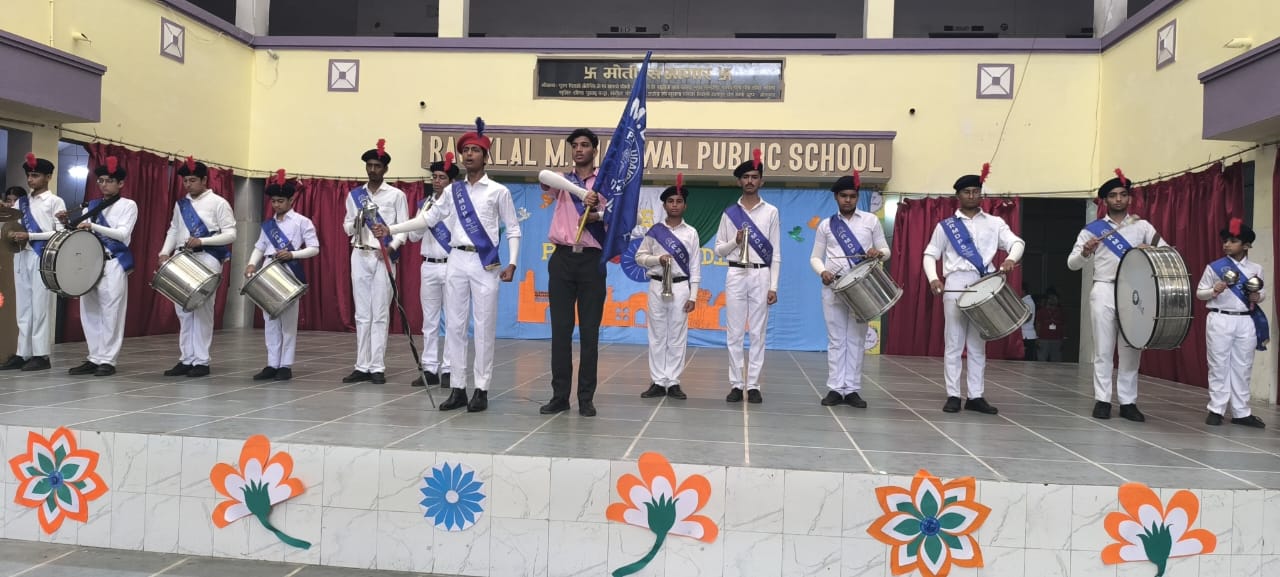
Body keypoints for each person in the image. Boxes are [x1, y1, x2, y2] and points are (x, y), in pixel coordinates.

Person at [379, 118, 520, 413]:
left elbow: (513, 229)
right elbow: (428, 219)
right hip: (456, 259)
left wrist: (513, 262)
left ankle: (481, 389)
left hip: (485, 263)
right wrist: (392, 229)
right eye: (465, 150)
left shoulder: (498, 191)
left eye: (475, 150)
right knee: (454, 326)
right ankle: (457, 388)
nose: (469, 154)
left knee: (484, 327)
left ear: (485, 156)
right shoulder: (453, 191)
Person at [922, 165, 1023, 414]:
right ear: (958, 195)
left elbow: (1017, 242)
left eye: (975, 191)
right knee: (954, 342)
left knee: (978, 343)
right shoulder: (946, 226)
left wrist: (1011, 258)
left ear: (981, 194)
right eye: (966, 192)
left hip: (984, 283)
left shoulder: (995, 223)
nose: (971, 195)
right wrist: (933, 278)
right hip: (956, 282)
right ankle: (953, 395)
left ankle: (975, 396)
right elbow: (930, 254)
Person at [1066, 168, 1164, 421]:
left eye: (1123, 194)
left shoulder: (1142, 226)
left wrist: (1149, 250)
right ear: (1105, 200)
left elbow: (1166, 251)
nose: (1118, 199)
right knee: (1103, 348)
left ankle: (1128, 402)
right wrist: (1086, 252)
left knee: (1132, 347)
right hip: (1104, 288)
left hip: (1135, 291)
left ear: (1129, 198)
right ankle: (1102, 400)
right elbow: (1072, 264)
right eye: (1113, 195)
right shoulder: (1092, 230)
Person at [541, 128, 607, 416]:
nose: (579, 149)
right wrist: (581, 193)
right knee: (561, 331)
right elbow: (543, 176)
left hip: (592, 260)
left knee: (589, 333)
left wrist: (596, 215)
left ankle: (586, 398)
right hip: (563, 259)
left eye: (584, 145)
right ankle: (559, 396)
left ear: (595, 150)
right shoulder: (563, 181)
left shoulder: (606, 182)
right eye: (575, 145)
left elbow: (616, 216)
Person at [810, 171, 888, 408]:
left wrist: (878, 253)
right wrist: (822, 271)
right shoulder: (826, 225)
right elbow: (815, 257)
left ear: (857, 197)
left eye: (852, 196)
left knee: (856, 338)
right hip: (833, 287)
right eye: (843, 196)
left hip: (862, 287)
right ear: (836, 197)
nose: (848, 200)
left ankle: (852, 389)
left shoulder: (870, 221)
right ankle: (835, 388)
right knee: (836, 340)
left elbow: (886, 251)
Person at [159, 157, 236, 378]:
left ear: (204, 180)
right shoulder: (181, 204)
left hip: (207, 257)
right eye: (185, 181)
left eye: (192, 180)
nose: (188, 184)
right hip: (182, 257)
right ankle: (186, 358)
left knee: (202, 309)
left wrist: (202, 241)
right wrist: (164, 252)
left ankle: (201, 361)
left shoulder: (219, 203)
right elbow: (174, 229)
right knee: (183, 310)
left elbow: (231, 234)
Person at [714, 149, 780, 404]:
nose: (750, 181)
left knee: (758, 332)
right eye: (745, 177)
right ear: (739, 181)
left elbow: (776, 253)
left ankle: (753, 385)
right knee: (734, 332)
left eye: (754, 177)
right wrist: (735, 241)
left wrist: (773, 286)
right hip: (735, 272)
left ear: (761, 181)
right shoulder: (729, 213)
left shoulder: (771, 212)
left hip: (761, 273)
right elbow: (719, 250)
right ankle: (735, 383)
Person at [342, 139, 408, 385]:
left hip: (383, 256)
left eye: (377, 166)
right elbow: (347, 226)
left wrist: (391, 248)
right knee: (362, 314)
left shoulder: (397, 195)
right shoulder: (355, 196)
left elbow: (403, 228)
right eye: (369, 165)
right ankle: (361, 365)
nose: (372, 170)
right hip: (359, 253)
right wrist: (357, 220)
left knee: (380, 313)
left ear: (385, 169)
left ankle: (377, 366)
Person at [65, 157, 137, 377]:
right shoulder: (92, 206)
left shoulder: (128, 205)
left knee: (111, 312)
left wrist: (93, 225)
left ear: (121, 183)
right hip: (91, 262)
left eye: (109, 181)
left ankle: (108, 360)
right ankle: (94, 357)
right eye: (101, 181)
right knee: (89, 311)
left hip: (113, 261)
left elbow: (122, 234)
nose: (104, 185)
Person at [245, 170, 319, 382]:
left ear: (291, 200)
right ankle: (272, 363)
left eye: (280, 201)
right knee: (269, 318)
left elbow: (314, 248)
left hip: (289, 270)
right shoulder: (268, 224)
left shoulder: (302, 222)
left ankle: (285, 365)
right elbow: (260, 246)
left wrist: (293, 254)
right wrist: (251, 263)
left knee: (288, 320)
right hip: (268, 268)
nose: (276, 205)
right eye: (273, 201)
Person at [1196, 219, 1266, 428]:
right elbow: (1200, 293)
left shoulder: (1256, 268)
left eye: (1233, 241)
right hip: (1220, 318)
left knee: (1243, 366)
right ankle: (1216, 409)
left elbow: (1261, 293)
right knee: (1218, 365)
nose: (1226, 244)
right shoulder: (1215, 267)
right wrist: (1214, 290)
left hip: (1245, 319)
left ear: (1246, 245)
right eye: (1225, 241)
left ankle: (1241, 412)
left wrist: (1258, 297)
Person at [635, 175, 700, 401]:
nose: (674, 205)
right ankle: (657, 381)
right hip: (656, 285)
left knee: (677, 335)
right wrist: (657, 260)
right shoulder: (654, 231)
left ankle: (673, 381)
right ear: (664, 205)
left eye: (679, 201)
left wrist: (694, 296)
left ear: (685, 206)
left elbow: (695, 266)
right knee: (657, 335)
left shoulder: (691, 233)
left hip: (681, 287)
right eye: (670, 201)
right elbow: (639, 257)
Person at [1, 154, 64, 371]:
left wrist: (31, 236)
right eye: (29, 175)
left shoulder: (55, 201)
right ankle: (23, 352)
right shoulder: (22, 202)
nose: (30, 179)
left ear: (48, 177)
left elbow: (59, 232)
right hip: (21, 255)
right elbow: (14, 228)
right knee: (23, 307)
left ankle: (41, 355)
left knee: (40, 306)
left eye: (35, 175)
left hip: (41, 256)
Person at [406, 153, 459, 388]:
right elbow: (413, 236)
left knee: (452, 320)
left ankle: (448, 368)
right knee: (430, 320)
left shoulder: (457, 206)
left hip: (451, 264)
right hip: (428, 265)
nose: (437, 181)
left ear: (451, 182)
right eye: (434, 177)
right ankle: (429, 368)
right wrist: (425, 217)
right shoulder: (425, 205)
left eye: (441, 177)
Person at [1036, 288, 1066, 362]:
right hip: (1043, 339)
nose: (1052, 300)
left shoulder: (1061, 312)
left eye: (1054, 298)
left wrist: (1063, 339)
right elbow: (1038, 325)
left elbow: (1063, 326)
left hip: (1057, 340)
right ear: (1047, 300)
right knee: (1041, 361)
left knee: (1056, 362)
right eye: (1050, 298)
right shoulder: (1041, 311)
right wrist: (1037, 338)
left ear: (1057, 300)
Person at [1021, 284, 1038, 361]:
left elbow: (1028, 317)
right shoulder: (1024, 301)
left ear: (1023, 291)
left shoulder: (1028, 302)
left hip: (1027, 336)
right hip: (1024, 335)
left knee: (1027, 360)